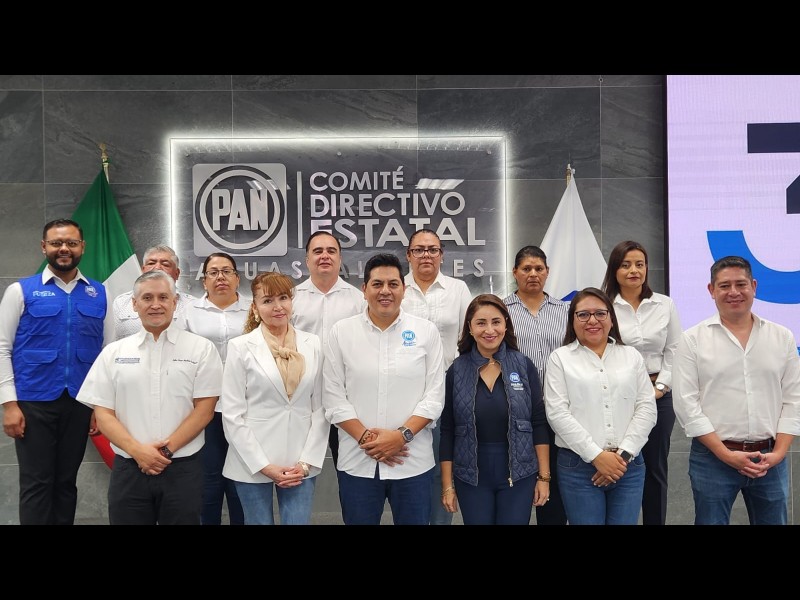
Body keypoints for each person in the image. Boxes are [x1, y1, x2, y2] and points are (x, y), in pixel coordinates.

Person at [76, 270, 222, 525]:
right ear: (134, 304)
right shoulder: (113, 353)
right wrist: (138, 452)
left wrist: (163, 451)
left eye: (163, 297)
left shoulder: (201, 349)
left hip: (182, 469)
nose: (156, 304)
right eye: (147, 298)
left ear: (175, 302)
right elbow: (103, 414)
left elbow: (204, 410)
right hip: (129, 469)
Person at [672, 256, 800, 525]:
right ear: (711, 290)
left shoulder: (782, 337)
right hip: (713, 459)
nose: (733, 292)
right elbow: (686, 404)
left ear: (754, 286)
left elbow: (793, 399)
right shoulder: (692, 339)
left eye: (741, 284)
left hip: (769, 458)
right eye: (724, 285)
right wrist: (726, 455)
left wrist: (779, 454)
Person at [0, 219, 110, 525]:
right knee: (36, 483)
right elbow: (2, 348)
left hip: (80, 402)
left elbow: (107, 355)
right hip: (32, 402)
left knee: (65, 483)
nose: (64, 249)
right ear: (44, 247)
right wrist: (9, 404)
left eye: (71, 243)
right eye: (56, 243)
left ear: (82, 247)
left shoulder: (100, 293)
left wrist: (100, 407)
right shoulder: (20, 291)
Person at [322, 252, 445, 525]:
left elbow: (434, 397)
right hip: (358, 462)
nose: (385, 291)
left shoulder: (426, 332)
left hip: (412, 462)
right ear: (364, 289)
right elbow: (333, 397)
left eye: (393, 284)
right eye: (377, 284)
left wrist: (401, 436)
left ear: (404, 289)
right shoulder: (341, 332)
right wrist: (368, 439)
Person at [221, 272, 327, 525]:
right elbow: (232, 413)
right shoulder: (240, 346)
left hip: (300, 461)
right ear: (255, 307)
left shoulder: (313, 343)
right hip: (251, 460)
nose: (278, 306)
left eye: (283, 298)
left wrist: (306, 462)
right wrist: (263, 466)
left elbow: (321, 407)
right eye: (268, 301)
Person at [544, 287, 656, 525]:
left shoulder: (631, 356)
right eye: (583, 314)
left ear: (611, 318)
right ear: (572, 320)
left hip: (628, 466)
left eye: (600, 313)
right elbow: (557, 414)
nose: (592, 320)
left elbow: (647, 408)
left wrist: (621, 457)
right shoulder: (560, 358)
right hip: (578, 467)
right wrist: (597, 456)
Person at [439, 294, 550, 525]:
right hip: (471, 476)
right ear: (470, 328)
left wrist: (544, 477)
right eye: (481, 323)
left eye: (496, 322)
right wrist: (448, 486)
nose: (489, 330)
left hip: (519, 474)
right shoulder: (457, 370)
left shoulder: (523, 365)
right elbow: (447, 430)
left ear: (505, 325)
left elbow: (538, 423)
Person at [601, 240, 682, 525]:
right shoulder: (604, 305)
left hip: (660, 395)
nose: (633, 270)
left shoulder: (664, 304)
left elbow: (674, 350)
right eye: (625, 265)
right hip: (617, 395)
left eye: (639, 264)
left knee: (655, 468)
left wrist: (660, 388)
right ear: (615, 270)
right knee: (620, 463)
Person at [401, 228, 472, 526]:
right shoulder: (397, 288)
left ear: (442, 255)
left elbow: (468, 338)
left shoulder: (458, 289)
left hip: (449, 389)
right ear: (409, 255)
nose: (426, 255)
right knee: (412, 465)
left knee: (444, 463)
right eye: (419, 250)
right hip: (405, 391)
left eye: (432, 249)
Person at [177, 252, 249, 525]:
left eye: (227, 271)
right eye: (214, 272)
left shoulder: (254, 309)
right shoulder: (188, 312)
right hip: (204, 407)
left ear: (237, 278)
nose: (221, 277)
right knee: (209, 480)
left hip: (246, 406)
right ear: (204, 280)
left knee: (242, 479)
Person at [502, 245, 568, 525]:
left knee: (552, 490)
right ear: (515, 272)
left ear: (547, 272)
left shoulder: (565, 311)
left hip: (557, 410)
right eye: (526, 268)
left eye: (538, 268)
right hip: (513, 410)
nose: (533, 274)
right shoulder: (501, 311)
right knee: (513, 489)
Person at [291, 231, 364, 475]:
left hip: (346, 397)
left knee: (349, 468)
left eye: (331, 251)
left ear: (340, 259)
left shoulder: (358, 300)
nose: (325, 256)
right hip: (302, 397)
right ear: (307, 259)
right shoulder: (291, 299)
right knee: (297, 466)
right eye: (318, 251)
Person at [112, 244, 195, 340]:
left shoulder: (192, 305)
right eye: (151, 263)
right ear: (143, 270)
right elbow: (111, 341)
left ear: (177, 273)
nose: (157, 267)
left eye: (165, 264)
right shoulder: (121, 303)